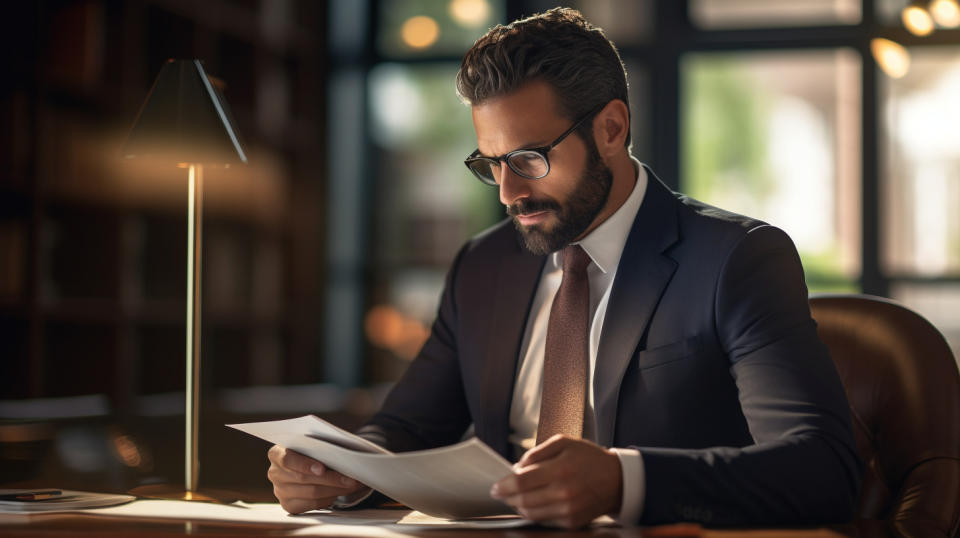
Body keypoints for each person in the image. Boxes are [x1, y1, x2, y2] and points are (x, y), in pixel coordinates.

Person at [267, 8, 861, 528]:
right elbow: (408, 428)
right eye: (491, 163)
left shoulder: (736, 258)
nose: (507, 193)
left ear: (611, 129)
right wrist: (340, 472)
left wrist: (624, 481)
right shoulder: (484, 265)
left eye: (528, 158)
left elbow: (821, 468)